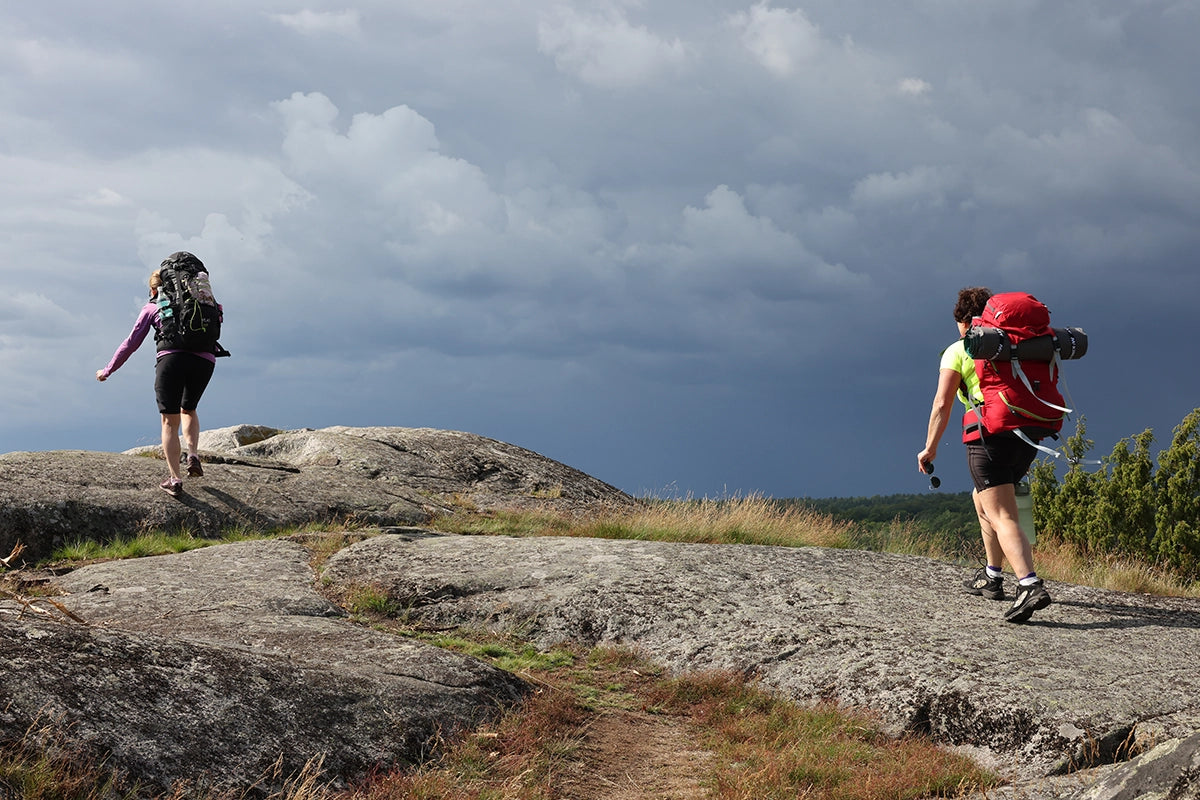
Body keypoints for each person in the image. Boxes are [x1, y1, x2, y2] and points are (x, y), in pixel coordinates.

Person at [917, 286, 1051, 624]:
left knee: (1002, 513)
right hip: (1028, 435)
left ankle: (1029, 585)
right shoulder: (1017, 347)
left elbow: (942, 403)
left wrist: (930, 447)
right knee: (983, 501)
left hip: (987, 437)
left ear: (964, 321)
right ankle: (993, 576)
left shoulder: (960, 349)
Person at [96, 254, 220, 497]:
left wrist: (108, 369)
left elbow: (131, 343)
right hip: (205, 360)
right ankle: (193, 455)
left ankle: (175, 479)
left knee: (168, 422)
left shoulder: (153, 307)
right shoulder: (205, 302)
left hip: (171, 360)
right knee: (189, 408)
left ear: (155, 288)